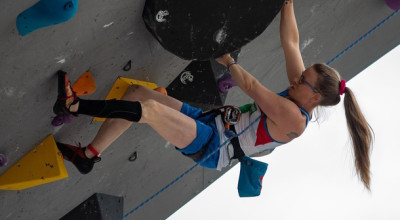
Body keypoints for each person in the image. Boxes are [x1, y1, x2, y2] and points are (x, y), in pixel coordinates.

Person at [53, 0, 373, 190]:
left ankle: (73, 104)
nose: (296, 78)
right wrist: (285, 3)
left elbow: (251, 88)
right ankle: (89, 156)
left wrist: (228, 60)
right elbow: (291, 42)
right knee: (139, 94)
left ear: (314, 97)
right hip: (211, 123)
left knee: (150, 108)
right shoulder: (300, 92)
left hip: (214, 146)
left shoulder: (294, 119)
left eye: (304, 80)